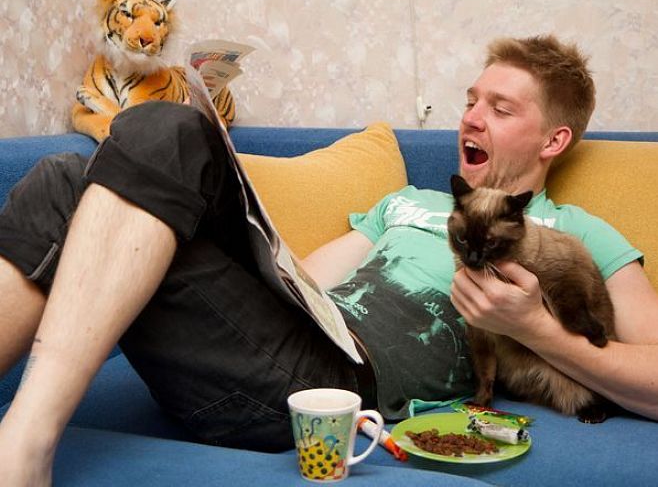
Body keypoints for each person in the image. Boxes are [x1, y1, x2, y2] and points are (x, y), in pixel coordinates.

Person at [1, 34, 657, 486]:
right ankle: (21, 447)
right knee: (84, 169)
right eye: (470, 102)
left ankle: (24, 447)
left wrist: (536, 329)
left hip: (336, 383)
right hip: (281, 339)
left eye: (500, 108)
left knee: (130, 149)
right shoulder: (405, 202)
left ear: (554, 140)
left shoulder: (576, 233)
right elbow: (305, 282)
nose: (470, 119)